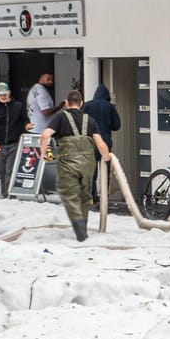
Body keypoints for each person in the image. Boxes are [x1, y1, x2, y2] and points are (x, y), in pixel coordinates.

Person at [39, 90, 111, 241]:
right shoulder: (89, 120)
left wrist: (46, 154)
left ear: (66, 103)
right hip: (88, 163)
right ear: (81, 103)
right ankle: (83, 227)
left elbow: (45, 135)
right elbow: (99, 142)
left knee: (69, 194)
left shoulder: (60, 117)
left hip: (67, 163)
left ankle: (80, 232)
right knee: (85, 196)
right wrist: (106, 157)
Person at [0, 82, 28, 197]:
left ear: (9, 94)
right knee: (1, 171)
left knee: (11, 170)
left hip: (13, 142)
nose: (3, 97)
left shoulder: (18, 106)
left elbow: (24, 120)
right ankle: (4, 193)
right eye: (1, 95)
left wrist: (27, 125)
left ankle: (10, 194)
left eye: (5, 94)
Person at [26, 71, 59, 137]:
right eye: (48, 79)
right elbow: (46, 112)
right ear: (41, 77)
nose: (51, 82)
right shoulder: (41, 92)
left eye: (52, 80)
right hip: (42, 130)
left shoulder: (35, 89)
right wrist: (59, 107)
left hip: (36, 128)